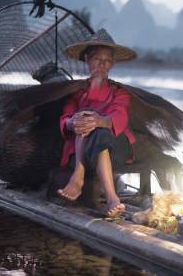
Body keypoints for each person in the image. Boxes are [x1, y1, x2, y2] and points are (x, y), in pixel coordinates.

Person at [56, 29, 137, 218]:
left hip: (115, 147)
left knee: (96, 127)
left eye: (107, 60)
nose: (102, 64)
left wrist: (100, 121)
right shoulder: (76, 91)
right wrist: (72, 122)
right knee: (83, 117)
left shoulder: (119, 92)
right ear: (87, 60)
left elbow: (120, 115)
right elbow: (65, 118)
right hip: (82, 151)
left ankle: (80, 177)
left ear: (112, 64)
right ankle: (111, 198)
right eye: (97, 59)